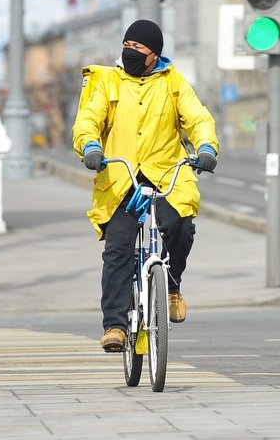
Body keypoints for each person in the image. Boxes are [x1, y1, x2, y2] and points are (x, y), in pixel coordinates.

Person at [72, 19, 220, 353]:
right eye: (127, 45)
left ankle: (171, 286)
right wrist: (91, 147)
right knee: (118, 250)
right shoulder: (107, 81)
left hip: (167, 173)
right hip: (122, 177)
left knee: (181, 225)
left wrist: (207, 147)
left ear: (154, 55)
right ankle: (115, 325)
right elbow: (88, 120)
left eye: (138, 47)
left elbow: (198, 118)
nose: (130, 51)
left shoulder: (173, 83)